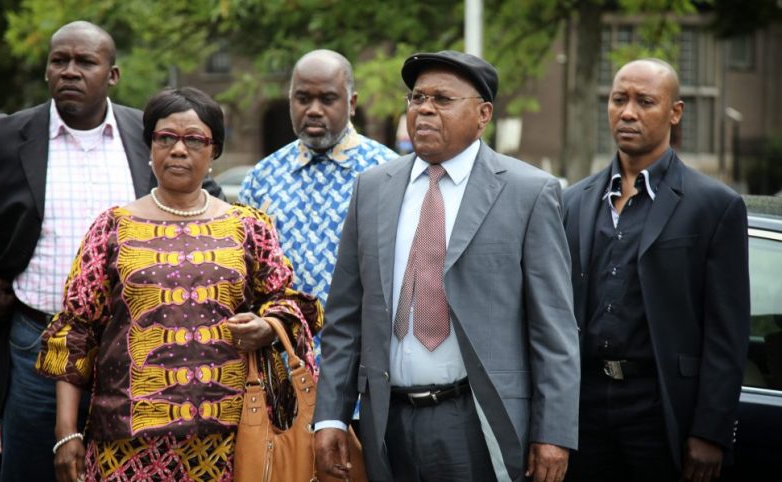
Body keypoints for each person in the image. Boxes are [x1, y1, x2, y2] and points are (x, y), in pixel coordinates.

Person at [0, 21, 222, 481]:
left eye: (85, 62)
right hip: (36, 344)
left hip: (139, 349)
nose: (70, 71)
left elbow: (207, 205)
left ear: (112, 75)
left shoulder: (154, 135)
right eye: (59, 61)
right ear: (47, 70)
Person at [313, 50, 581, 482]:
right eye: (417, 97)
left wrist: (554, 432)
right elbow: (345, 318)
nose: (424, 109)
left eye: (442, 99)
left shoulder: (528, 193)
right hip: (387, 422)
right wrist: (330, 417)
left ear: (483, 114)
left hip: (477, 422)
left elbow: (553, 328)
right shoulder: (373, 190)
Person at [35, 86, 322, 482]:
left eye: (195, 140)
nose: (179, 150)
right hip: (127, 443)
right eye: (166, 138)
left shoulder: (248, 226)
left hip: (231, 439)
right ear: (149, 146)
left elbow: (286, 300)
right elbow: (77, 331)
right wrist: (66, 432)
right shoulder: (111, 228)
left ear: (214, 150)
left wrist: (267, 326)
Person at [561, 59, 750, 482]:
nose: (628, 112)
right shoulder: (573, 201)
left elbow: (727, 331)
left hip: (661, 406)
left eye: (645, 102)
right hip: (582, 406)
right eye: (618, 100)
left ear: (675, 112)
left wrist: (711, 430)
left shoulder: (714, 206)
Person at [238, 49, 396, 376]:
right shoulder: (262, 178)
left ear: (351, 103)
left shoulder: (389, 173)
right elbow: (247, 276)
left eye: (327, 99)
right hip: (284, 371)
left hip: (365, 369)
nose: (313, 110)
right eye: (303, 98)